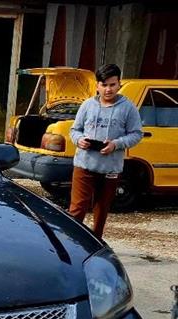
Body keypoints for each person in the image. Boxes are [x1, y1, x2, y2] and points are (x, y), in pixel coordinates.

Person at [68, 63, 143, 238]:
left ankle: (96, 243)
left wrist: (116, 144)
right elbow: (74, 130)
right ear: (97, 85)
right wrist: (79, 140)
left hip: (110, 168)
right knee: (77, 208)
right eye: (104, 85)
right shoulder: (87, 105)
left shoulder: (128, 108)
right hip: (84, 164)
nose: (108, 89)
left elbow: (137, 134)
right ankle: (71, 243)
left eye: (112, 84)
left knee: (101, 211)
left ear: (119, 84)